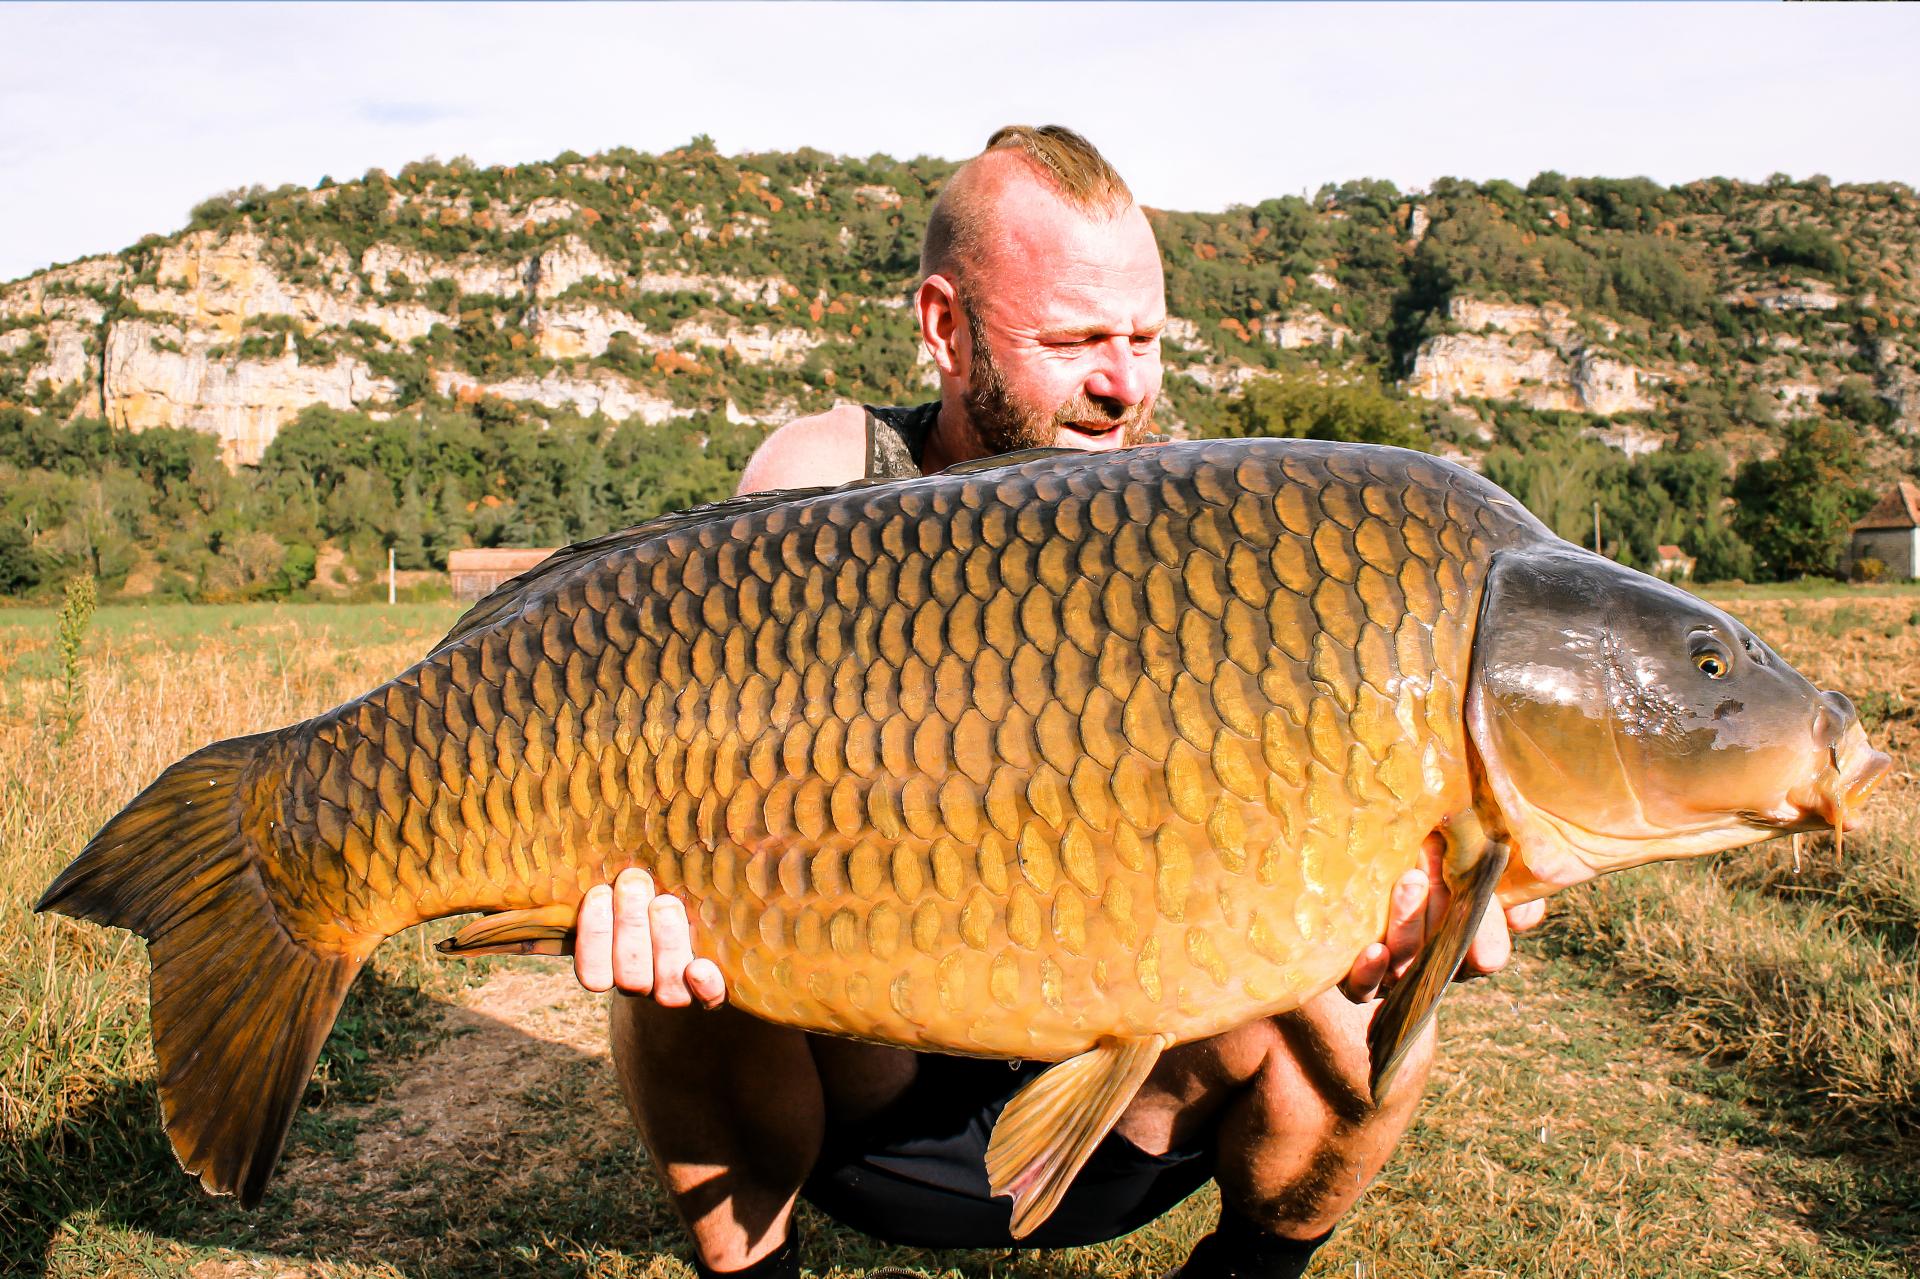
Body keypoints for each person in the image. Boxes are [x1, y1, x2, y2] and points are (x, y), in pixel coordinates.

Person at [570, 126, 1546, 1278]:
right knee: (674, 932)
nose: (1123, 383)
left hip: (1137, 1107)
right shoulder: (826, 484)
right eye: (1077, 339)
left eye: (1145, 339)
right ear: (945, 327)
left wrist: (1423, 871)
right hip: (873, 1094)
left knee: (1358, 982)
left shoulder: (1215, 529)